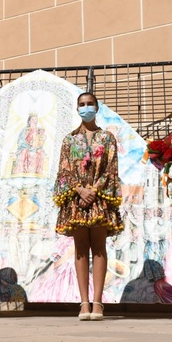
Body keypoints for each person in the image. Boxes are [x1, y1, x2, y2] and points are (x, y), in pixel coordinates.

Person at [53, 92, 123, 321]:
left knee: (99, 247)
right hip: (76, 199)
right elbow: (64, 170)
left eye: (89, 104)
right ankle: (84, 303)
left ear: (97, 107)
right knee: (81, 248)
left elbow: (111, 169)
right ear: (77, 109)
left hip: (99, 197)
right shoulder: (69, 139)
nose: (86, 108)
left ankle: (98, 303)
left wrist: (93, 190)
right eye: (82, 105)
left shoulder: (107, 138)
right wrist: (79, 189)